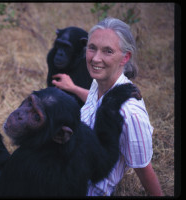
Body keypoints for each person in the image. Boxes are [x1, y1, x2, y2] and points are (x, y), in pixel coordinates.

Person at [52, 17, 163, 196]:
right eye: (92, 48)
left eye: (108, 51)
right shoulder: (100, 82)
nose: (96, 58)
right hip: (66, 171)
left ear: (125, 57)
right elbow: (96, 102)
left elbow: (144, 171)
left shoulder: (131, 114)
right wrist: (72, 88)